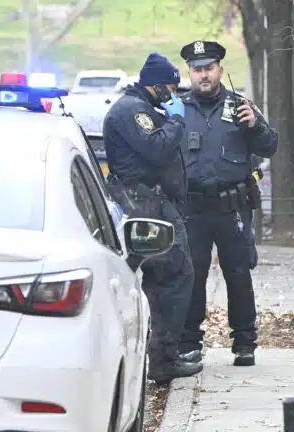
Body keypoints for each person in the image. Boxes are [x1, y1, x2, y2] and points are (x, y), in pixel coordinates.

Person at [176, 40, 279, 367]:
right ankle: (190, 343)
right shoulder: (177, 108)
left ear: (220, 69)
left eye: (209, 68)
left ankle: (244, 343)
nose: (203, 75)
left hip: (232, 206)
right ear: (189, 73)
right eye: (197, 70)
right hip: (192, 209)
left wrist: (255, 126)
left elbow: (270, 145)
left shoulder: (240, 105)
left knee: (238, 274)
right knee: (192, 275)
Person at [102, 52, 202, 383]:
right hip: (145, 205)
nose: (173, 95)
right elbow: (157, 149)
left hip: (151, 202)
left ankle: (161, 354)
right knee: (175, 275)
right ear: (156, 85)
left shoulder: (141, 107)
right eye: (170, 88)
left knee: (163, 280)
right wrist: (175, 120)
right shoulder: (133, 111)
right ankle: (162, 358)